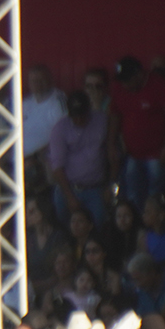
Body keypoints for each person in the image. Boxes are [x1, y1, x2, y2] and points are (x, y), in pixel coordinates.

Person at [107, 56, 165, 207]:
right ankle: (136, 226)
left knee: (155, 196)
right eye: (122, 80)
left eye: (127, 80)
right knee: (132, 195)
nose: (125, 84)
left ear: (139, 74)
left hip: (157, 154)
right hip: (132, 154)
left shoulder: (160, 85)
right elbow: (115, 115)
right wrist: (111, 144)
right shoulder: (120, 89)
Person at [46, 89, 107, 226]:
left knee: (98, 225)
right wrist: (69, 196)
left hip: (95, 187)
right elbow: (57, 166)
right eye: (75, 115)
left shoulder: (101, 120)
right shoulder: (60, 129)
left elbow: (111, 150)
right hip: (68, 187)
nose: (79, 119)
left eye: (82, 115)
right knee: (66, 227)